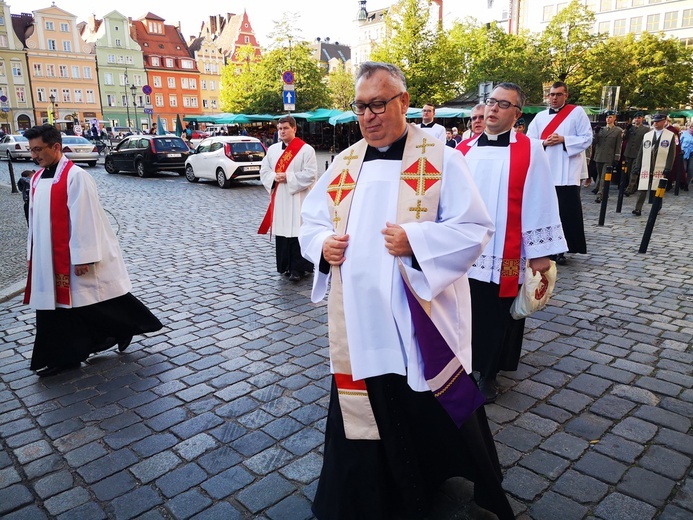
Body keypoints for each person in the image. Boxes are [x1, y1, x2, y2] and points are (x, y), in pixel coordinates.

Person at [299, 61, 513, 520]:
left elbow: (475, 228)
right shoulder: (344, 164)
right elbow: (311, 222)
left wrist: (416, 242)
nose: (369, 115)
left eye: (378, 104)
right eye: (361, 106)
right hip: (360, 316)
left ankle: (435, 473)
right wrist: (323, 245)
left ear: (403, 102)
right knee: (365, 404)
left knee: (424, 398)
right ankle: (365, 492)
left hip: (419, 314)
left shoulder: (442, 159)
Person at [23, 124, 163, 377]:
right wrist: (32, 253)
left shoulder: (76, 176)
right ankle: (65, 355)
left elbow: (85, 218)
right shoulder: (36, 178)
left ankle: (119, 330)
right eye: (31, 150)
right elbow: (35, 220)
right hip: (48, 257)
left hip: (71, 254)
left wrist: (83, 257)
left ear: (55, 147)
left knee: (93, 302)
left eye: (37, 150)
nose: (34, 156)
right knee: (62, 308)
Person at [458, 83, 567, 404]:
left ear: (517, 114)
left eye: (503, 105)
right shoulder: (463, 150)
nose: (493, 109)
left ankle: (488, 373)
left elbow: (540, 198)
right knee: (464, 311)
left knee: (496, 313)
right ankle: (462, 367)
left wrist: (539, 255)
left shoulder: (530, 149)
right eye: (491, 102)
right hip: (466, 250)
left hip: (506, 249)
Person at [526, 81, 591, 265]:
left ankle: (564, 248)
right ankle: (546, 246)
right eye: (552, 94)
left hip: (567, 170)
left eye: (558, 94)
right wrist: (544, 143)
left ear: (566, 95)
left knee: (566, 211)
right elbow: (529, 142)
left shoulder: (577, 113)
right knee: (546, 211)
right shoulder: (539, 117)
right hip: (545, 170)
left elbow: (587, 138)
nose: (554, 98)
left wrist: (564, 139)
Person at [259, 115, 317, 282]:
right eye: (280, 129)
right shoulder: (272, 150)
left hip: (298, 198)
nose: (282, 131)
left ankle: (300, 268)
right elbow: (264, 171)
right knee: (283, 232)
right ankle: (284, 266)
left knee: (297, 232)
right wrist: (273, 177)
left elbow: (310, 174)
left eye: (285, 128)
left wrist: (288, 177)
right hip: (280, 198)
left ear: (294, 129)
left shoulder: (306, 150)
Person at [631, 113, 677, 216]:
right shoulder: (648, 135)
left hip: (660, 164)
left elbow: (671, 153)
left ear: (664, 122)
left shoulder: (669, 136)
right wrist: (637, 165)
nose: (655, 123)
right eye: (654, 121)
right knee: (642, 187)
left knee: (657, 187)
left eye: (658, 121)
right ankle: (638, 208)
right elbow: (641, 152)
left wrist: (668, 167)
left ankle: (657, 207)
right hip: (647, 164)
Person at [591, 110, 623, 203]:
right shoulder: (601, 130)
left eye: (610, 117)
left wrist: (617, 157)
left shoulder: (618, 131)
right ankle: (602, 190)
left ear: (614, 118)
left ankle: (600, 195)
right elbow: (594, 143)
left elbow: (618, 146)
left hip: (609, 156)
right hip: (599, 156)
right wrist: (595, 133)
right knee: (600, 174)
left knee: (604, 177)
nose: (608, 119)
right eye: (607, 117)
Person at [624, 112, 651, 195]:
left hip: (638, 153)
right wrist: (626, 130)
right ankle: (633, 186)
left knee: (634, 171)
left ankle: (629, 188)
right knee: (628, 171)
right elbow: (624, 138)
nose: (637, 119)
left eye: (639, 118)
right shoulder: (630, 128)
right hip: (629, 152)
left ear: (642, 119)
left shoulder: (646, 129)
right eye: (636, 118)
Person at [680, 121, 693, 189]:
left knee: (691, 169)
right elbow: (680, 142)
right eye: (691, 127)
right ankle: (682, 181)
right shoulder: (685, 133)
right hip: (684, 153)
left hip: (692, 154)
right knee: (683, 168)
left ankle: (686, 184)